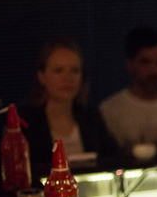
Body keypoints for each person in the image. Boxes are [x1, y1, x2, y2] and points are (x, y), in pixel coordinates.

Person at [18, 38, 118, 172]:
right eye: (58, 70)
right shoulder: (25, 123)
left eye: (75, 70)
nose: (67, 78)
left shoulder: (92, 119)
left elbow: (114, 160)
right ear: (42, 76)